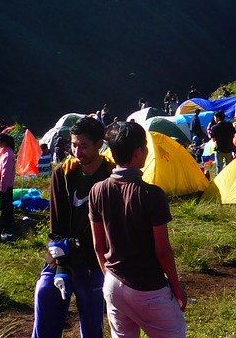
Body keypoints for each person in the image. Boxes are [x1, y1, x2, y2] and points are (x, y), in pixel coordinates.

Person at [89, 121, 187, 338]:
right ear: (137, 152)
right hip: (148, 287)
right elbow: (162, 250)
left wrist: (109, 276)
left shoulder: (97, 191)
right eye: (145, 146)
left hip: (113, 283)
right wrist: (176, 287)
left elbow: (98, 245)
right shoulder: (152, 195)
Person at [32, 116, 111, 338]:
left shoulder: (110, 174)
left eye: (83, 146)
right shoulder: (63, 173)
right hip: (63, 253)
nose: (77, 151)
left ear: (99, 144)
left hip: (96, 259)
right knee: (46, 292)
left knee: (93, 306)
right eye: (73, 145)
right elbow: (56, 225)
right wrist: (61, 266)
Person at [0, 132, 16, 230]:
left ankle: (8, 222)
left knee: (6, 204)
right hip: (3, 183)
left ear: (4, 143)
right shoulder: (3, 152)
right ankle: (6, 220)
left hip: (6, 185)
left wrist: (2, 187)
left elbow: (5, 173)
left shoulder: (8, 155)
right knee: (4, 204)